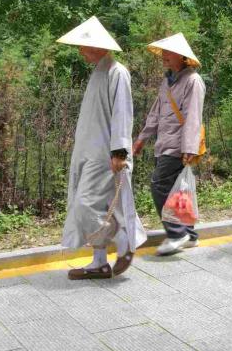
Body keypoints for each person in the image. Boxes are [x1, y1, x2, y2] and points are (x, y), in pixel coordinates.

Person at [58, 17, 147, 280]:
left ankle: (122, 239)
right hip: (88, 151)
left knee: (86, 205)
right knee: (92, 205)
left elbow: (122, 112)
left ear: (97, 46)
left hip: (103, 155)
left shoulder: (117, 72)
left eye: (83, 46)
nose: (80, 51)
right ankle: (99, 262)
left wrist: (119, 151)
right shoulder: (99, 71)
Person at [133, 33, 206, 256]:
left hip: (179, 146)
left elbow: (194, 116)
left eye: (168, 52)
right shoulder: (168, 81)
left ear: (182, 56)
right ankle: (189, 235)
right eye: (163, 52)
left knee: (159, 186)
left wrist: (189, 149)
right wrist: (142, 138)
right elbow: (156, 113)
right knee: (179, 190)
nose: (164, 56)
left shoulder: (193, 81)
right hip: (164, 143)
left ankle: (176, 233)